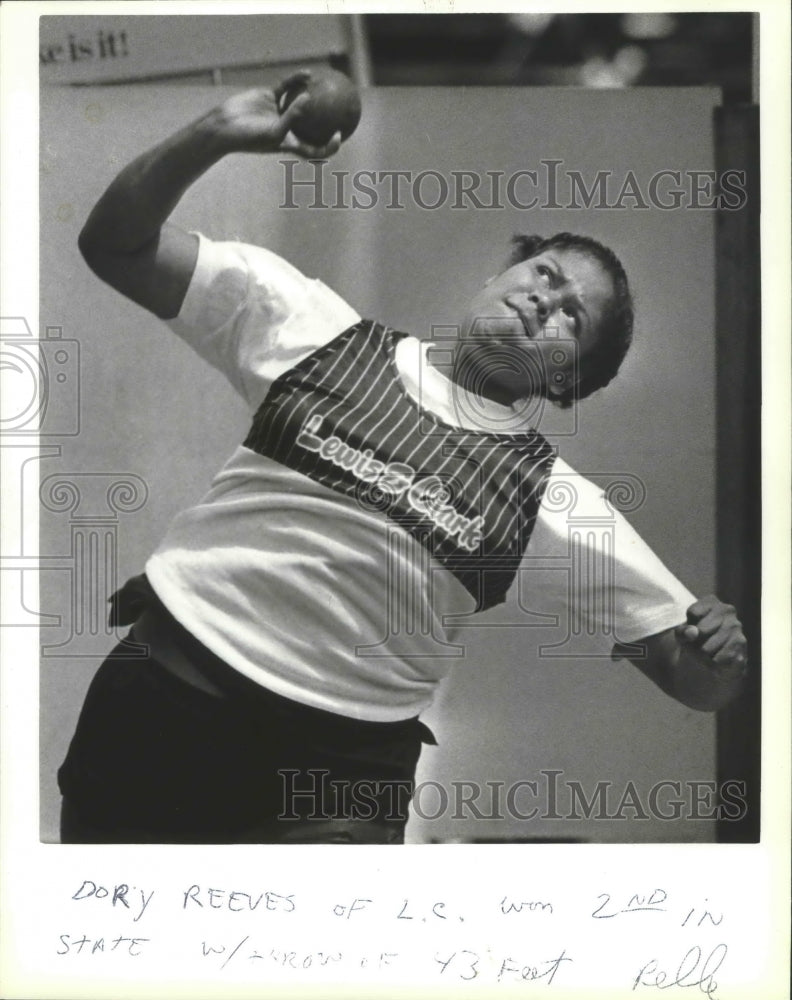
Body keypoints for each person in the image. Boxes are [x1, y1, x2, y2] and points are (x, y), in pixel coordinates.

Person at [59, 72, 748, 844]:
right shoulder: (314, 327)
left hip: (334, 780)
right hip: (168, 694)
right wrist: (216, 131)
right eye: (543, 275)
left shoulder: (552, 499)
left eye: (570, 319)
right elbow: (114, 244)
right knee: (104, 944)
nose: (543, 302)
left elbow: (696, 679)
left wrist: (716, 651)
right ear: (499, 275)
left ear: (568, 379)